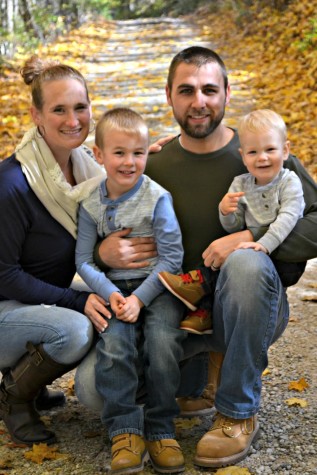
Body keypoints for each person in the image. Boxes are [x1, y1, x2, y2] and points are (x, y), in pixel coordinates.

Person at [75, 46, 317, 469]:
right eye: (186, 90)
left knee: (243, 262)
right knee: (93, 391)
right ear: (169, 96)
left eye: (209, 89)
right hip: (173, 311)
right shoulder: (152, 163)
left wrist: (246, 235)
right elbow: (105, 220)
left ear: (227, 92)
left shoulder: (262, 152)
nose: (199, 101)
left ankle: (236, 413)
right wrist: (101, 251)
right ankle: (202, 373)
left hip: (244, 306)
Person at [0, 55, 112, 447]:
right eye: (59, 109)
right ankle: (15, 397)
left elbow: (124, 188)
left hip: (24, 306)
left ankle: (21, 371)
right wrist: (75, 300)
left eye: (80, 107)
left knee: (90, 316)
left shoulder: (83, 168)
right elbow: (4, 275)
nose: (73, 119)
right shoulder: (13, 183)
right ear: (36, 115)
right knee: (76, 328)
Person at [75, 108, 186, 474]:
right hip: (115, 291)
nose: (129, 162)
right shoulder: (91, 203)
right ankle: (124, 430)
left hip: (158, 288)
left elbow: (172, 258)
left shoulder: (157, 198)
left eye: (138, 153)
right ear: (99, 154)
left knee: (161, 342)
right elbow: (84, 261)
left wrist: (140, 298)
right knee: (116, 346)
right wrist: (111, 294)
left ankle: (160, 427)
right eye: (119, 153)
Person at [157, 109, 305, 335]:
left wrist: (263, 243)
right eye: (253, 152)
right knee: (227, 258)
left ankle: (197, 284)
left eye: (270, 150)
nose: (262, 157)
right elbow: (234, 227)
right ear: (243, 156)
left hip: (283, 259)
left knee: (240, 258)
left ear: (285, 151)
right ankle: (203, 311)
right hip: (250, 255)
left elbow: (289, 217)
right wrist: (225, 211)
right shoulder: (241, 183)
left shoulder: (289, 181)